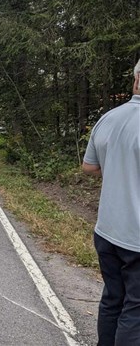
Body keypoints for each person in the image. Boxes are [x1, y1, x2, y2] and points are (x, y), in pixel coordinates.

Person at [82, 59, 140, 346]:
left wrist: (118, 167)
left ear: (136, 80)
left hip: (106, 230)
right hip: (136, 238)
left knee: (112, 299)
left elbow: (89, 167)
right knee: (135, 309)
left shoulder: (109, 118)